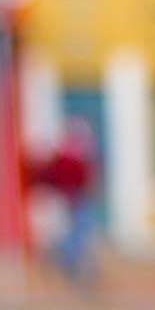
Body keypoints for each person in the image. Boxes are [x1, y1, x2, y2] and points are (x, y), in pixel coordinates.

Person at [43, 116, 100, 287]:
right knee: (78, 232)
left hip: (77, 197)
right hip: (73, 197)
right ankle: (66, 260)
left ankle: (72, 263)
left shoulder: (74, 154)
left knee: (80, 232)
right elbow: (65, 177)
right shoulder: (68, 155)